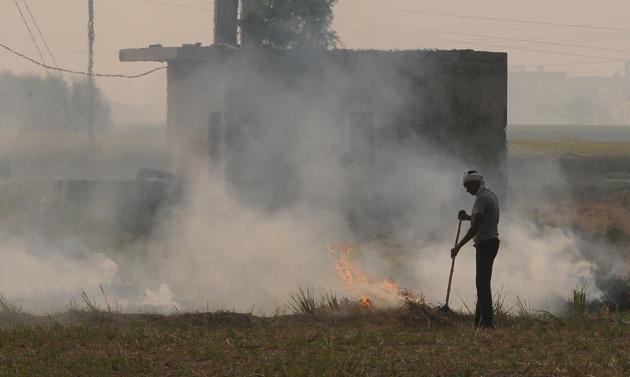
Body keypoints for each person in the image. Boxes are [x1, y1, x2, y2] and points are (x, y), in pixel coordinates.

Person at [451, 170, 500, 329]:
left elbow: (476, 227)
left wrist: (458, 246)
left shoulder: (482, 198)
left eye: (467, 186)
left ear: (475, 183)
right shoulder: (490, 195)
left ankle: (487, 323)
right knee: (482, 283)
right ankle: (479, 323)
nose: (466, 190)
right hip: (491, 242)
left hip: (485, 243)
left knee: (482, 285)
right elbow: (480, 218)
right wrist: (466, 217)